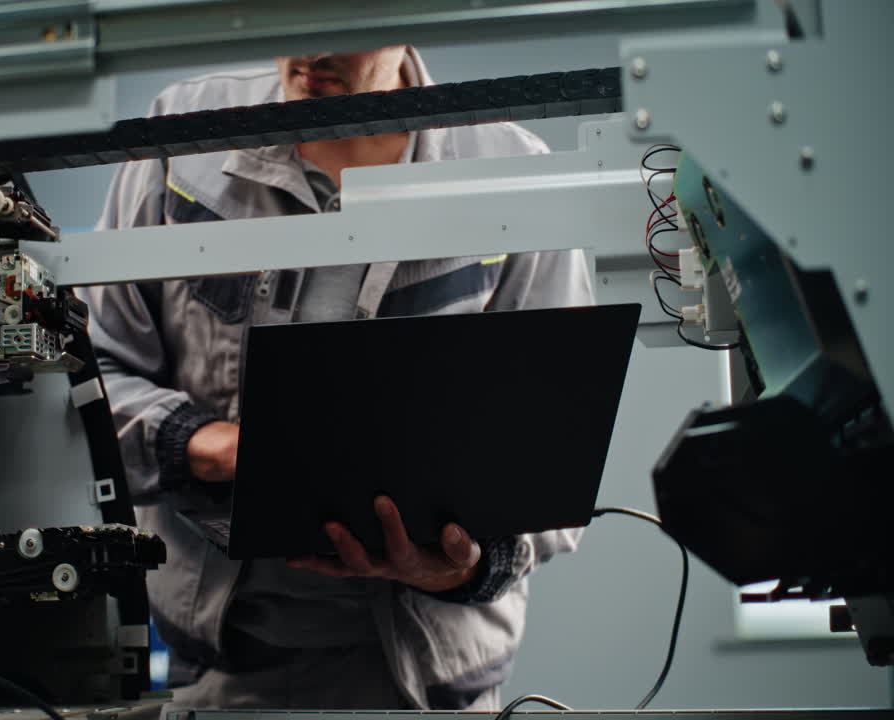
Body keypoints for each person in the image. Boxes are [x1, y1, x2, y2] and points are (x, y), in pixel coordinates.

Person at [82, 46, 594, 712]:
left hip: (422, 682)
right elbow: (93, 369)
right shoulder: (185, 137)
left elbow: (552, 462)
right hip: (218, 671)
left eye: (347, 18)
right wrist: (211, 446)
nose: (314, 50)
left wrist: (464, 564)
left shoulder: (511, 170)